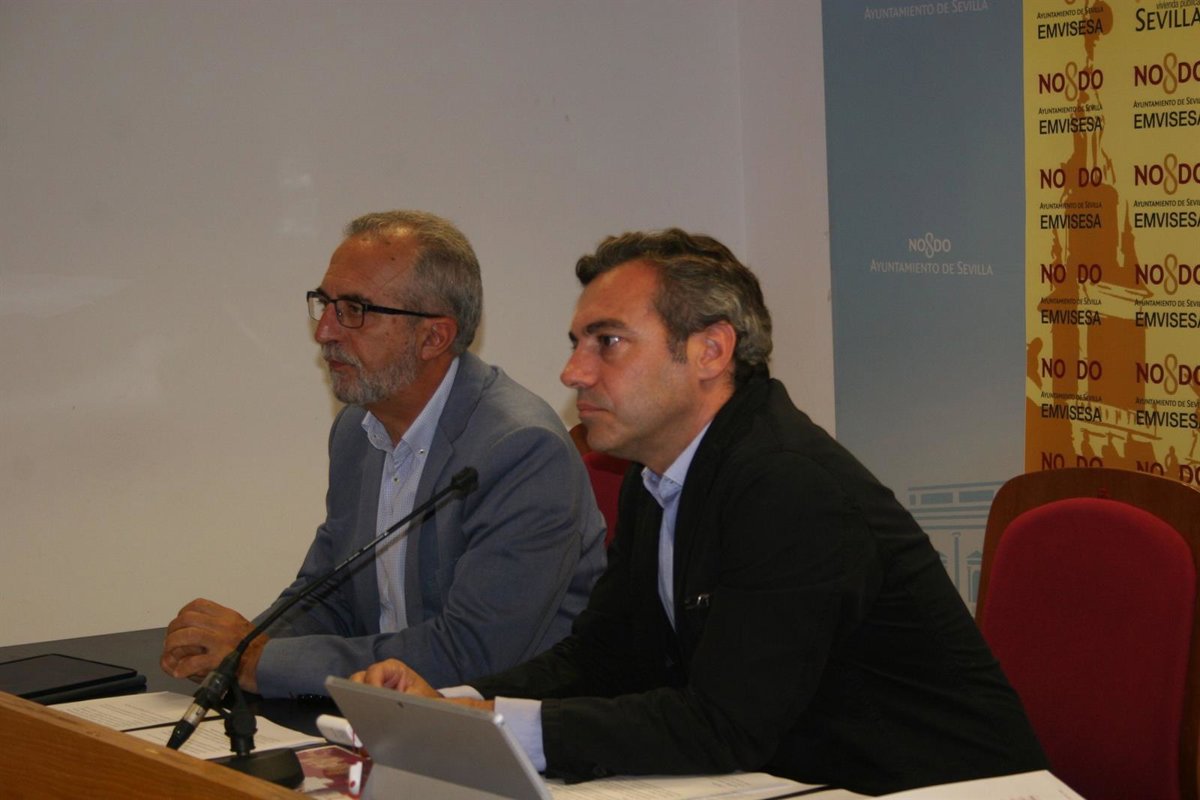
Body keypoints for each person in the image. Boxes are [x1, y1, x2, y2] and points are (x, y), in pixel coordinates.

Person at [353, 228, 1048, 795]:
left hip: (937, 789)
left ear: (711, 351)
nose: (574, 372)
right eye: (576, 343)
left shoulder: (790, 486)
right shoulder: (658, 473)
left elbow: (723, 724)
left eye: (607, 341)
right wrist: (451, 703)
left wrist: (496, 723)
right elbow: (605, 656)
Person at [161, 210, 606, 698]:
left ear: (433, 337)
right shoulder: (358, 430)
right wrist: (234, 650)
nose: (324, 331)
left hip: (505, 723)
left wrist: (262, 662)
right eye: (325, 304)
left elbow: (471, 652)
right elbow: (327, 595)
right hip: (390, 713)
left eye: (354, 309)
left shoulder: (521, 449)